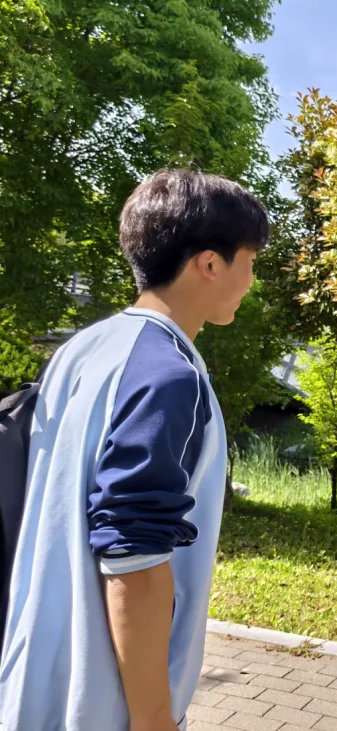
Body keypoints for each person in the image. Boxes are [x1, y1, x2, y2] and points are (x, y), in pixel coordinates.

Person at [0, 170, 269, 731]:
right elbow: (135, 557)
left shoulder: (84, 347)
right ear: (210, 263)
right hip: (101, 700)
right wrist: (152, 718)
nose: (251, 279)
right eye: (250, 260)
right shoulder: (170, 375)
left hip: (33, 672)